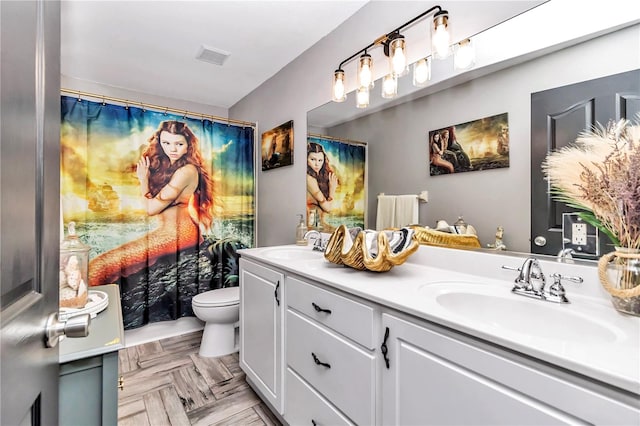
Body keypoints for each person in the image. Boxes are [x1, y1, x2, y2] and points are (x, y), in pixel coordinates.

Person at [88, 120, 214, 286]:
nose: (172, 149)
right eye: (166, 143)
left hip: (179, 234)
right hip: (170, 232)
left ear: (188, 145)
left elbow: (151, 209)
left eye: (179, 144)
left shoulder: (187, 171)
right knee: (103, 268)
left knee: (99, 267)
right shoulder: (171, 167)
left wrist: (143, 180)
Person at [307, 142, 338, 230]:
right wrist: (332, 190)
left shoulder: (314, 177)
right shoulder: (309, 179)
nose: (317, 164)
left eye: (320, 160)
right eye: (313, 159)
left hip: (317, 224)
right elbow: (327, 208)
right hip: (313, 226)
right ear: (306, 159)